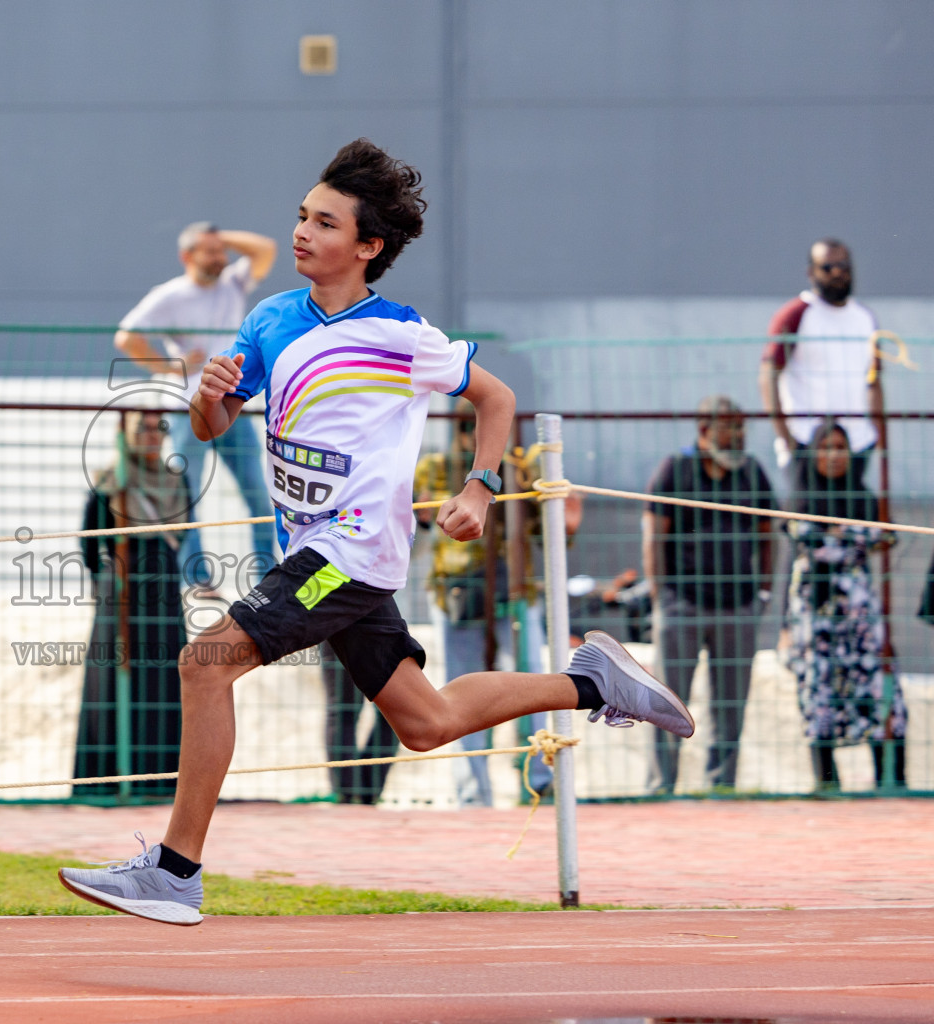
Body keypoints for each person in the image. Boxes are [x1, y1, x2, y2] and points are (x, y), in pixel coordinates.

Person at [58, 139, 695, 926]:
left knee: (204, 661)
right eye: (299, 217)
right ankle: (595, 680)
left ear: (367, 246)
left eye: (323, 223)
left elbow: (496, 400)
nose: (300, 232)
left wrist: (481, 487)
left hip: (350, 552)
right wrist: (209, 393)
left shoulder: (401, 334)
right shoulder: (269, 318)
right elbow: (215, 418)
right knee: (427, 724)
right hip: (314, 552)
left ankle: (176, 870)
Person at [414, 400, 583, 805]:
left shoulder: (519, 468)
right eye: (469, 430)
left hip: (515, 592)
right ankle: (474, 795)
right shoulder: (434, 468)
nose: (477, 439)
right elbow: (417, 533)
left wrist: (562, 513)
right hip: (457, 593)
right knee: (456, 697)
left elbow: (551, 535)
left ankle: (541, 780)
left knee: (532, 686)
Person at [115, 223, 279, 591]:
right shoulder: (170, 295)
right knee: (189, 495)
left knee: (258, 493)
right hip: (187, 407)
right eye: (210, 251)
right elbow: (127, 336)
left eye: (221, 250)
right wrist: (170, 367)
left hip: (235, 405)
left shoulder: (233, 284)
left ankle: (267, 579)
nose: (220, 257)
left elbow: (265, 248)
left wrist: (221, 235)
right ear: (187, 256)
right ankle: (197, 580)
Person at [643, 395, 776, 793]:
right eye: (728, 427)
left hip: (739, 605)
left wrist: (764, 592)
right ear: (705, 430)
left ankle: (722, 788)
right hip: (683, 603)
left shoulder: (752, 473)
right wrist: (659, 598)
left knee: (731, 708)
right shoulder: (675, 469)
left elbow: (769, 533)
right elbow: (653, 536)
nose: (738, 436)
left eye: (741, 428)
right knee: (667, 703)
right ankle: (659, 789)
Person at [783, 419, 905, 789]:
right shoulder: (799, 499)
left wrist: (853, 535)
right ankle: (827, 783)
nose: (835, 456)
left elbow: (883, 536)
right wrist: (860, 536)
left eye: (841, 448)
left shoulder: (864, 498)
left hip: (859, 618)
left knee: (882, 691)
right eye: (826, 447)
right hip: (815, 618)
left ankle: (891, 780)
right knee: (819, 692)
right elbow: (813, 540)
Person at [73, 411, 188, 798]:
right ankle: (108, 778)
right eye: (143, 428)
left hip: (163, 588)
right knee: (115, 676)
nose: (152, 436)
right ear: (126, 434)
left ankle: (158, 777)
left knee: (163, 675)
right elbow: (90, 538)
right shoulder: (111, 478)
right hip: (120, 587)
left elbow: (182, 533)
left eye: (159, 429)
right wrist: (103, 579)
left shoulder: (175, 478)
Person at [760, 238, 881, 485]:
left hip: (856, 444)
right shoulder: (796, 314)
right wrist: (786, 438)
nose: (837, 272)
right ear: (811, 272)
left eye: (843, 266)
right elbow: (768, 375)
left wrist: (877, 435)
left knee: (852, 521)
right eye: (827, 267)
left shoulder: (864, 318)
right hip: (806, 442)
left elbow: (874, 382)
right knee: (809, 521)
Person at [320, 642, 398, 804]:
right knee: (344, 711)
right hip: (339, 627)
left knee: (395, 713)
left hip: (383, 629)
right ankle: (352, 795)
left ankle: (360, 793)